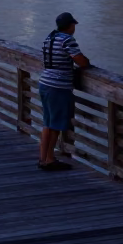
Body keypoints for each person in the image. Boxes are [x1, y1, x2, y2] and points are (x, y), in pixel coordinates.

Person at [37, 12, 90, 171]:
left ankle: (43, 158)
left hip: (45, 83)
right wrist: (86, 62)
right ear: (70, 25)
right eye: (73, 25)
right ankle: (50, 160)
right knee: (55, 124)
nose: (74, 27)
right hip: (58, 87)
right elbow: (80, 61)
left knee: (48, 123)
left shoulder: (49, 38)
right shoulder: (67, 40)